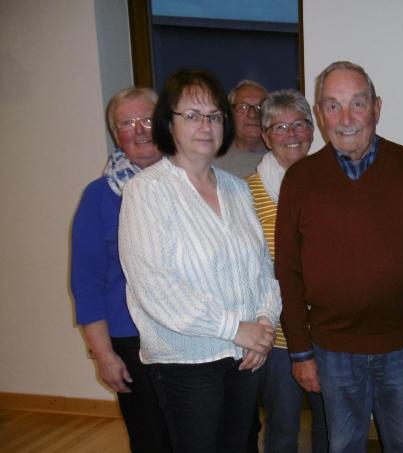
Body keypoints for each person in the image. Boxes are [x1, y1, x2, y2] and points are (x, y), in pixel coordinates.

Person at [275, 61, 403, 453]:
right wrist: (301, 350)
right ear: (319, 114)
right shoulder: (299, 179)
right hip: (332, 349)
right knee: (344, 445)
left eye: (358, 103)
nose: (346, 118)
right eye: (333, 106)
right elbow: (288, 270)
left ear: (377, 108)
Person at [118, 69, 281, 453]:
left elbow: (261, 268)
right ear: (168, 124)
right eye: (191, 115)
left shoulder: (238, 189)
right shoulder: (146, 192)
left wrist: (264, 323)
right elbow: (155, 288)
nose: (205, 125)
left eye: (213, 115)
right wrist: (235, 328)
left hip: (245, 357)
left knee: (242, 445)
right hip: (187, 362)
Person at [71, 86, 171, 453]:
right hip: (132, 340)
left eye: (147, 119)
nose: (140, 130)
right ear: (116, 135)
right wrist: (103, 355)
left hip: (192, 336)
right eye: (126, 123)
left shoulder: (194, 184)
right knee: (152, 439)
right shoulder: (99, 196)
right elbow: (86, 283)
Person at [245, 89, 327, 453]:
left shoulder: (331, 184)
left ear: (312, 130)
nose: (291, 133)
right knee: (282, 429)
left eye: (299, 124)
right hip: (276, 335)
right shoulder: (246, 192)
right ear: (265, 136)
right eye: (279, 127)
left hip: (327, 331)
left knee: (332, 424)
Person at [215, 80, 269, 177]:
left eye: (259, 107)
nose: (252, 115)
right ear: (230, 113)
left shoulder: (283, 158)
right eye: (243, 107)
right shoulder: (212, 162)